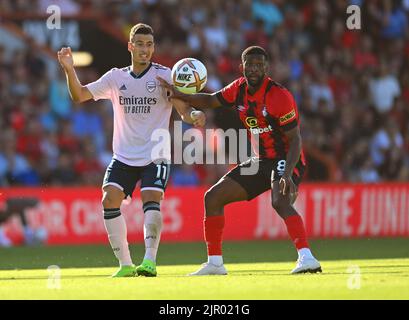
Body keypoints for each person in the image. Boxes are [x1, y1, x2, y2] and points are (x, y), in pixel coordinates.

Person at [57, 23, 205, 277]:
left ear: (153, 47)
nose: (144, 50)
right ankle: (125, 264)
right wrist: (70, 70)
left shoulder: (165, 76)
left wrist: (195, 114)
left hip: (155, 154)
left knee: (151, 200)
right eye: (140, 44)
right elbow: (79, 95)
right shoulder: (116, 77)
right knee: (109, 200)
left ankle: (149, 261)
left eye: (149, 45)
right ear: (130, 46)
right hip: (123, 155)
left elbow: (183, 110)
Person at [158, 46, 321, 275]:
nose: (254, 69)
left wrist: (287, 174)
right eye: (249, 64)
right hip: (261, 160)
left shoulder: (279, 96)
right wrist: (178, 93)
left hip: (286, 159)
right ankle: (215, 263)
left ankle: (307, 257)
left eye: (259, 65)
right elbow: (211, 100)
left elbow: (295, 140)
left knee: (280, 201)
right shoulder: (239, 89)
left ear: (266, 68)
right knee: (213, 198)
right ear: (241, 67)